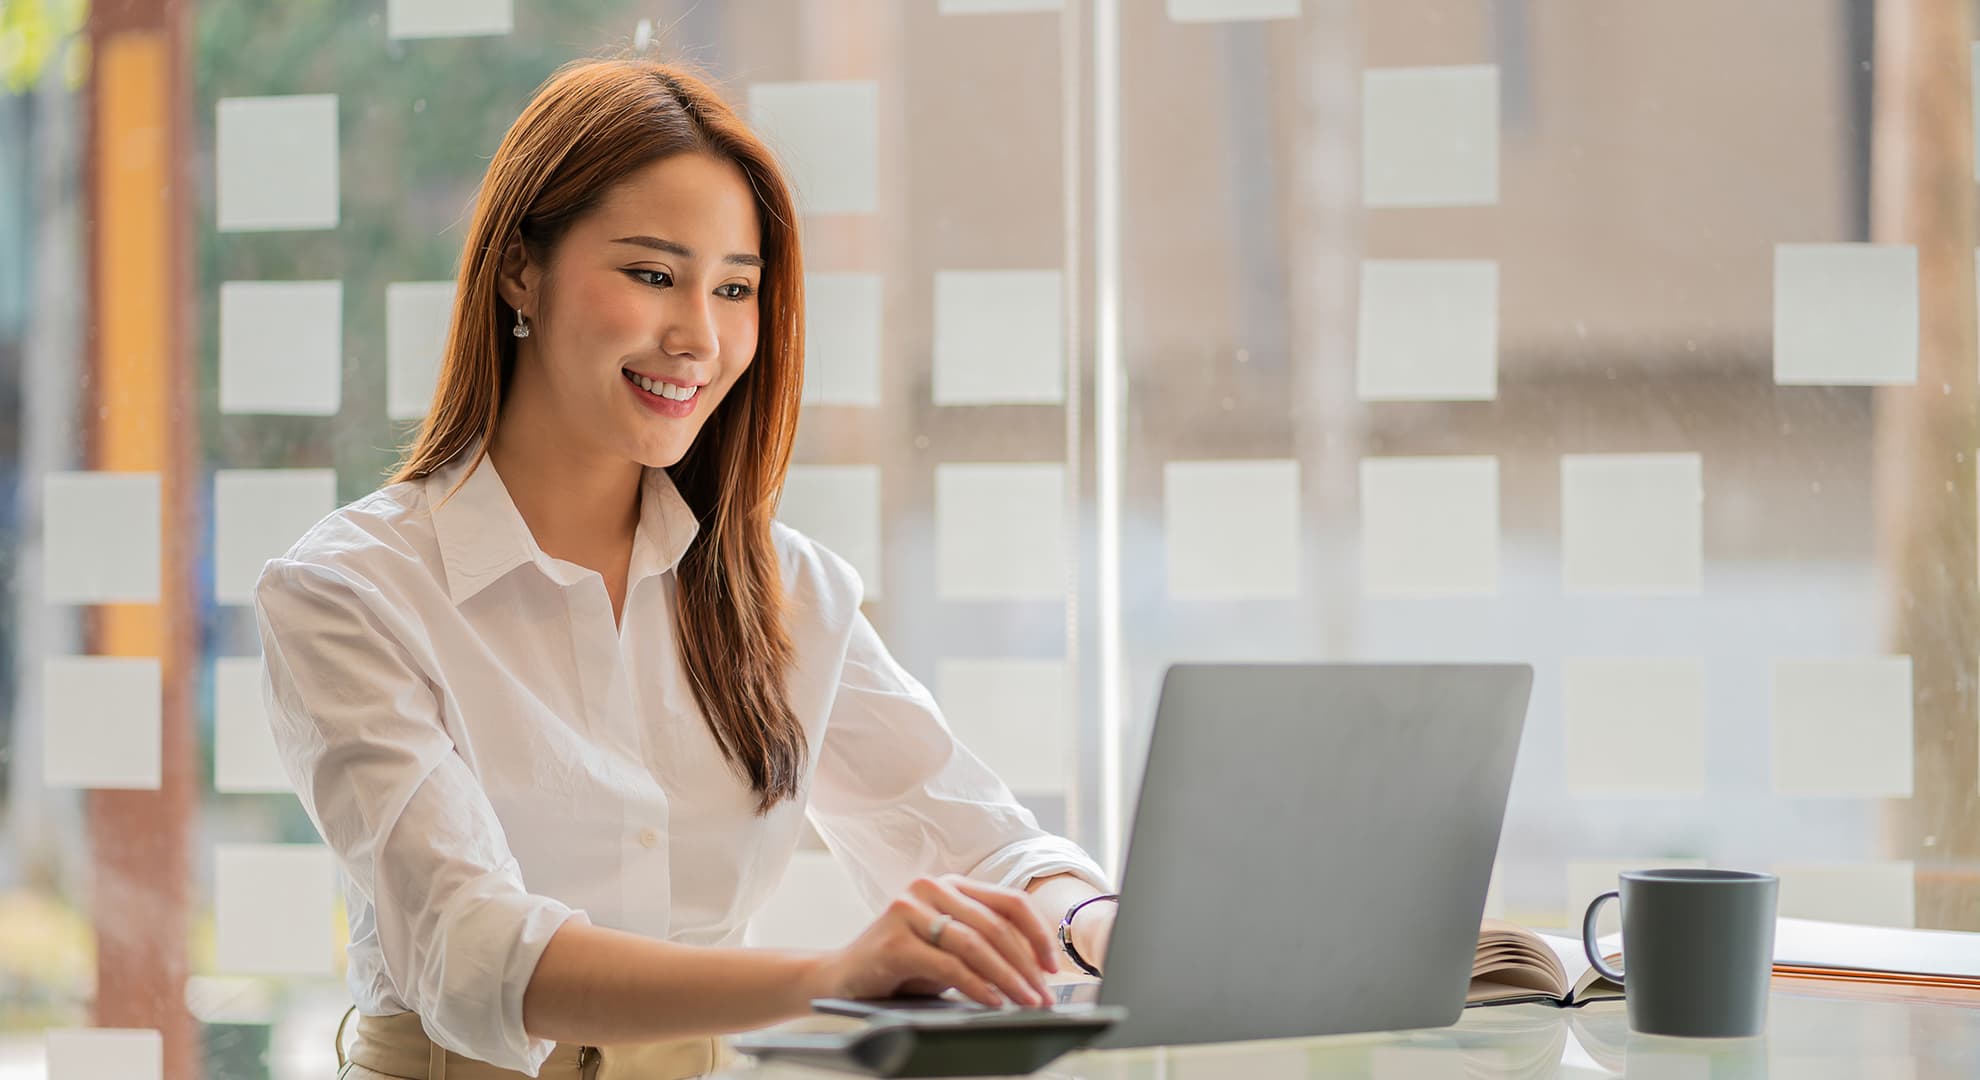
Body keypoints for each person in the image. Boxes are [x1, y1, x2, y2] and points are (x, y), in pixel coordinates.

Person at [251, 55, 1118, 1080]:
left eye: (737, 288)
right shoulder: (352, 590)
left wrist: (1099, 927)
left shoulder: (783, 592)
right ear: (520, 269)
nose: (699, 336)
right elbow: (474, 950)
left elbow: (982, 848)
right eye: (653, 275)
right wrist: (832, 977)